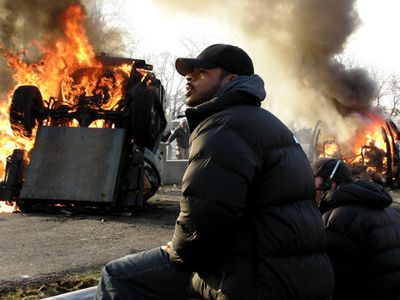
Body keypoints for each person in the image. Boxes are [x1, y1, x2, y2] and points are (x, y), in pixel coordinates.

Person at [96, 44, 334, 299]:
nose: (189, 77)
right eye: (189, 72)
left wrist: (177, 250)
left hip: (257, 280)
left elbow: (205, 216)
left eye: (201, 72)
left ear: (230, 80)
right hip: (296, 277)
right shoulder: (267, 124)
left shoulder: (223, 127)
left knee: (117, 275)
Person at [312, 158, 400, 300]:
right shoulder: (390, 212)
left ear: (330, 183)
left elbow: (338, 282)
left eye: (313, 181)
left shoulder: (337, 219)